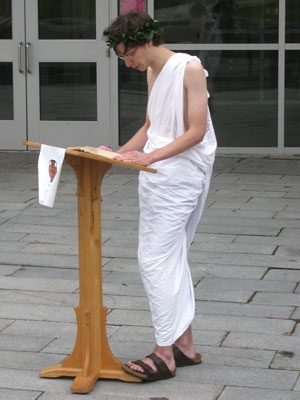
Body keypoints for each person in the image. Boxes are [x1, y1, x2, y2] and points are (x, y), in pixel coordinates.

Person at [102, 10, 217, 382]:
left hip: (179, 175)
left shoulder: (189, 68)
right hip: (157, 175)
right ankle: (183, 347)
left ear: (148, 41)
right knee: (171, 256)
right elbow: (152, 126)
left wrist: (149, 156)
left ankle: (164, 354)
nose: (127, 62)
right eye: (122, 57)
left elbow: (196, 131)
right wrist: (117, 155)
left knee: (154, 259)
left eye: (129, 54)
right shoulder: (154, 71)